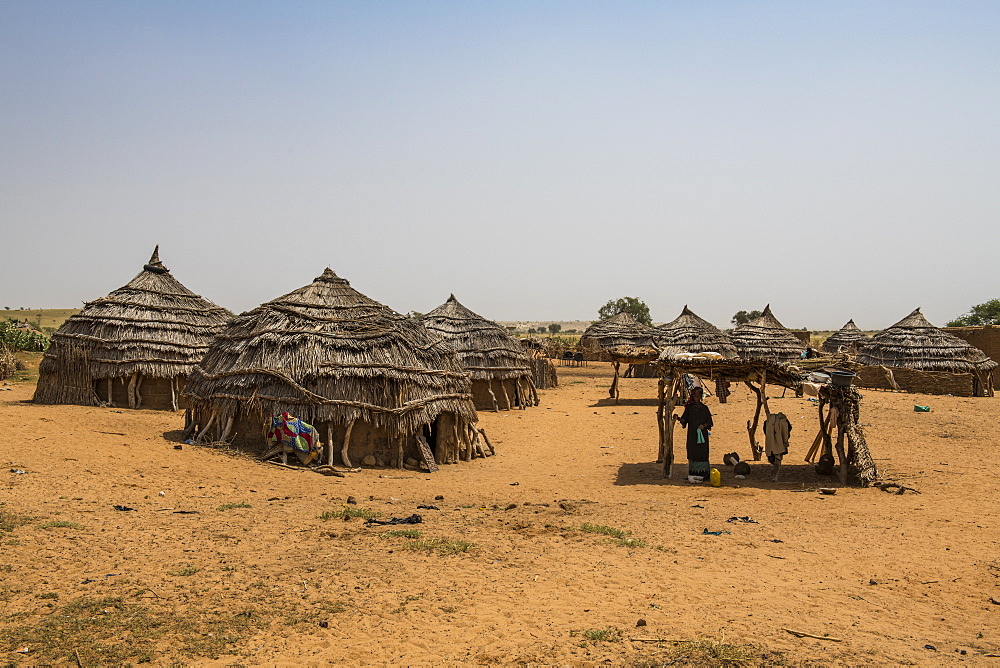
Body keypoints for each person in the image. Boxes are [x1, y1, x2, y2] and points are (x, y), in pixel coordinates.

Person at [678, 387, 713, 480]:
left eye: (698, 396)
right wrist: (678, 418)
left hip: (703, 435)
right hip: (692, 435)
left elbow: (710, 422)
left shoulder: (705, 408)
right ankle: (693, 472)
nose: (696, 398)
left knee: (702, 452)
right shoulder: (689, 408)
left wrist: (704, 426)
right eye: (695, 396)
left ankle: (704, 474)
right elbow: (684, 419)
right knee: (692, 451)